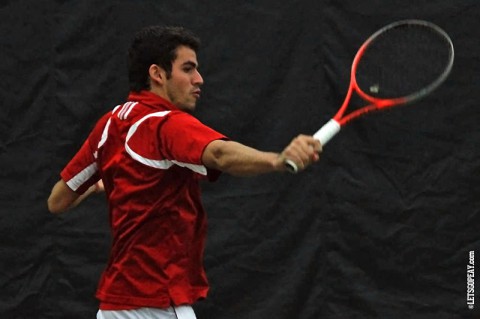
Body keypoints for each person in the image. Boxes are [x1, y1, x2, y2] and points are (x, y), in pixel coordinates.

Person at [47, 25, 321, 319]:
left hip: (114, 308)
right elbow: (220, 154)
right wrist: (278, 160)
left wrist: (99, 185)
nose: (198, 80)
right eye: (188, 69)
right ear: (157, 74)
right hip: (159, 306)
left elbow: (57, 201)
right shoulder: (165, 124)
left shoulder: (109, 125)